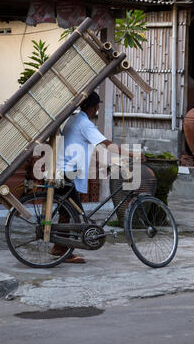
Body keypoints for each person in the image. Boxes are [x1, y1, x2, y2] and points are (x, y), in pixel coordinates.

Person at [50, 91, 142, 263]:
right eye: (97, 106)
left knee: (67, 212)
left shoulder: (74, 119)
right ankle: (64, 252)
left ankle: (58, 248)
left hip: (63, 170)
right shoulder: (85, 123)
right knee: (76, 215)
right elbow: (106, 144)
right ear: (94, 107)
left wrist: (102, 164)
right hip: (67, 172)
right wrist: (132, 154)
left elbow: (82, 147)